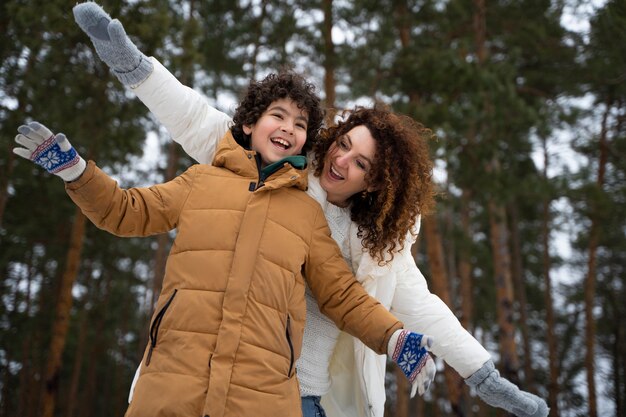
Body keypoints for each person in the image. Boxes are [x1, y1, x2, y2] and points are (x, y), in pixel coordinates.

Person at [72, 3, 549, 417]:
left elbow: (417, 308)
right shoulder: (278, 169)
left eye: (361, 162)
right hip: (205, 372)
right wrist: (134, 66)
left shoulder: (375, 245)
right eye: (343, 145)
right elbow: (195, 118)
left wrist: (483, 376)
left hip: (298, 396)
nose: (342, 161)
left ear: (377, 180)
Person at [13, 70, 436, 417]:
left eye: (301, 124)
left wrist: (396, 340)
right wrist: (76, 172)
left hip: (262, 399)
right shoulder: (200, 182)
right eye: (278, 115)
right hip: (172, 385)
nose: (288, 128)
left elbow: (342, 295)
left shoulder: (306, 215)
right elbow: (127, 211)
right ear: (250, 123)